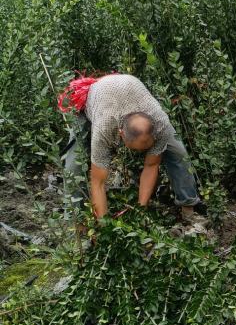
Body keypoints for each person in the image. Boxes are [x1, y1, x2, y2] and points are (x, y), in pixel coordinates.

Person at [60, 73, 201, 221]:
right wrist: (105, 226)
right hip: (97, 101)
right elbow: (98, 182)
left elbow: (151, 165)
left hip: (129, 92)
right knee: (73, 167)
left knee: (178, 153)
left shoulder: (160, 123)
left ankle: (188, 209)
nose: (141, 153)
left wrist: (141, 210)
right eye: (136, 149)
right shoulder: (104, 128)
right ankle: (75, 222)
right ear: (120, 134)